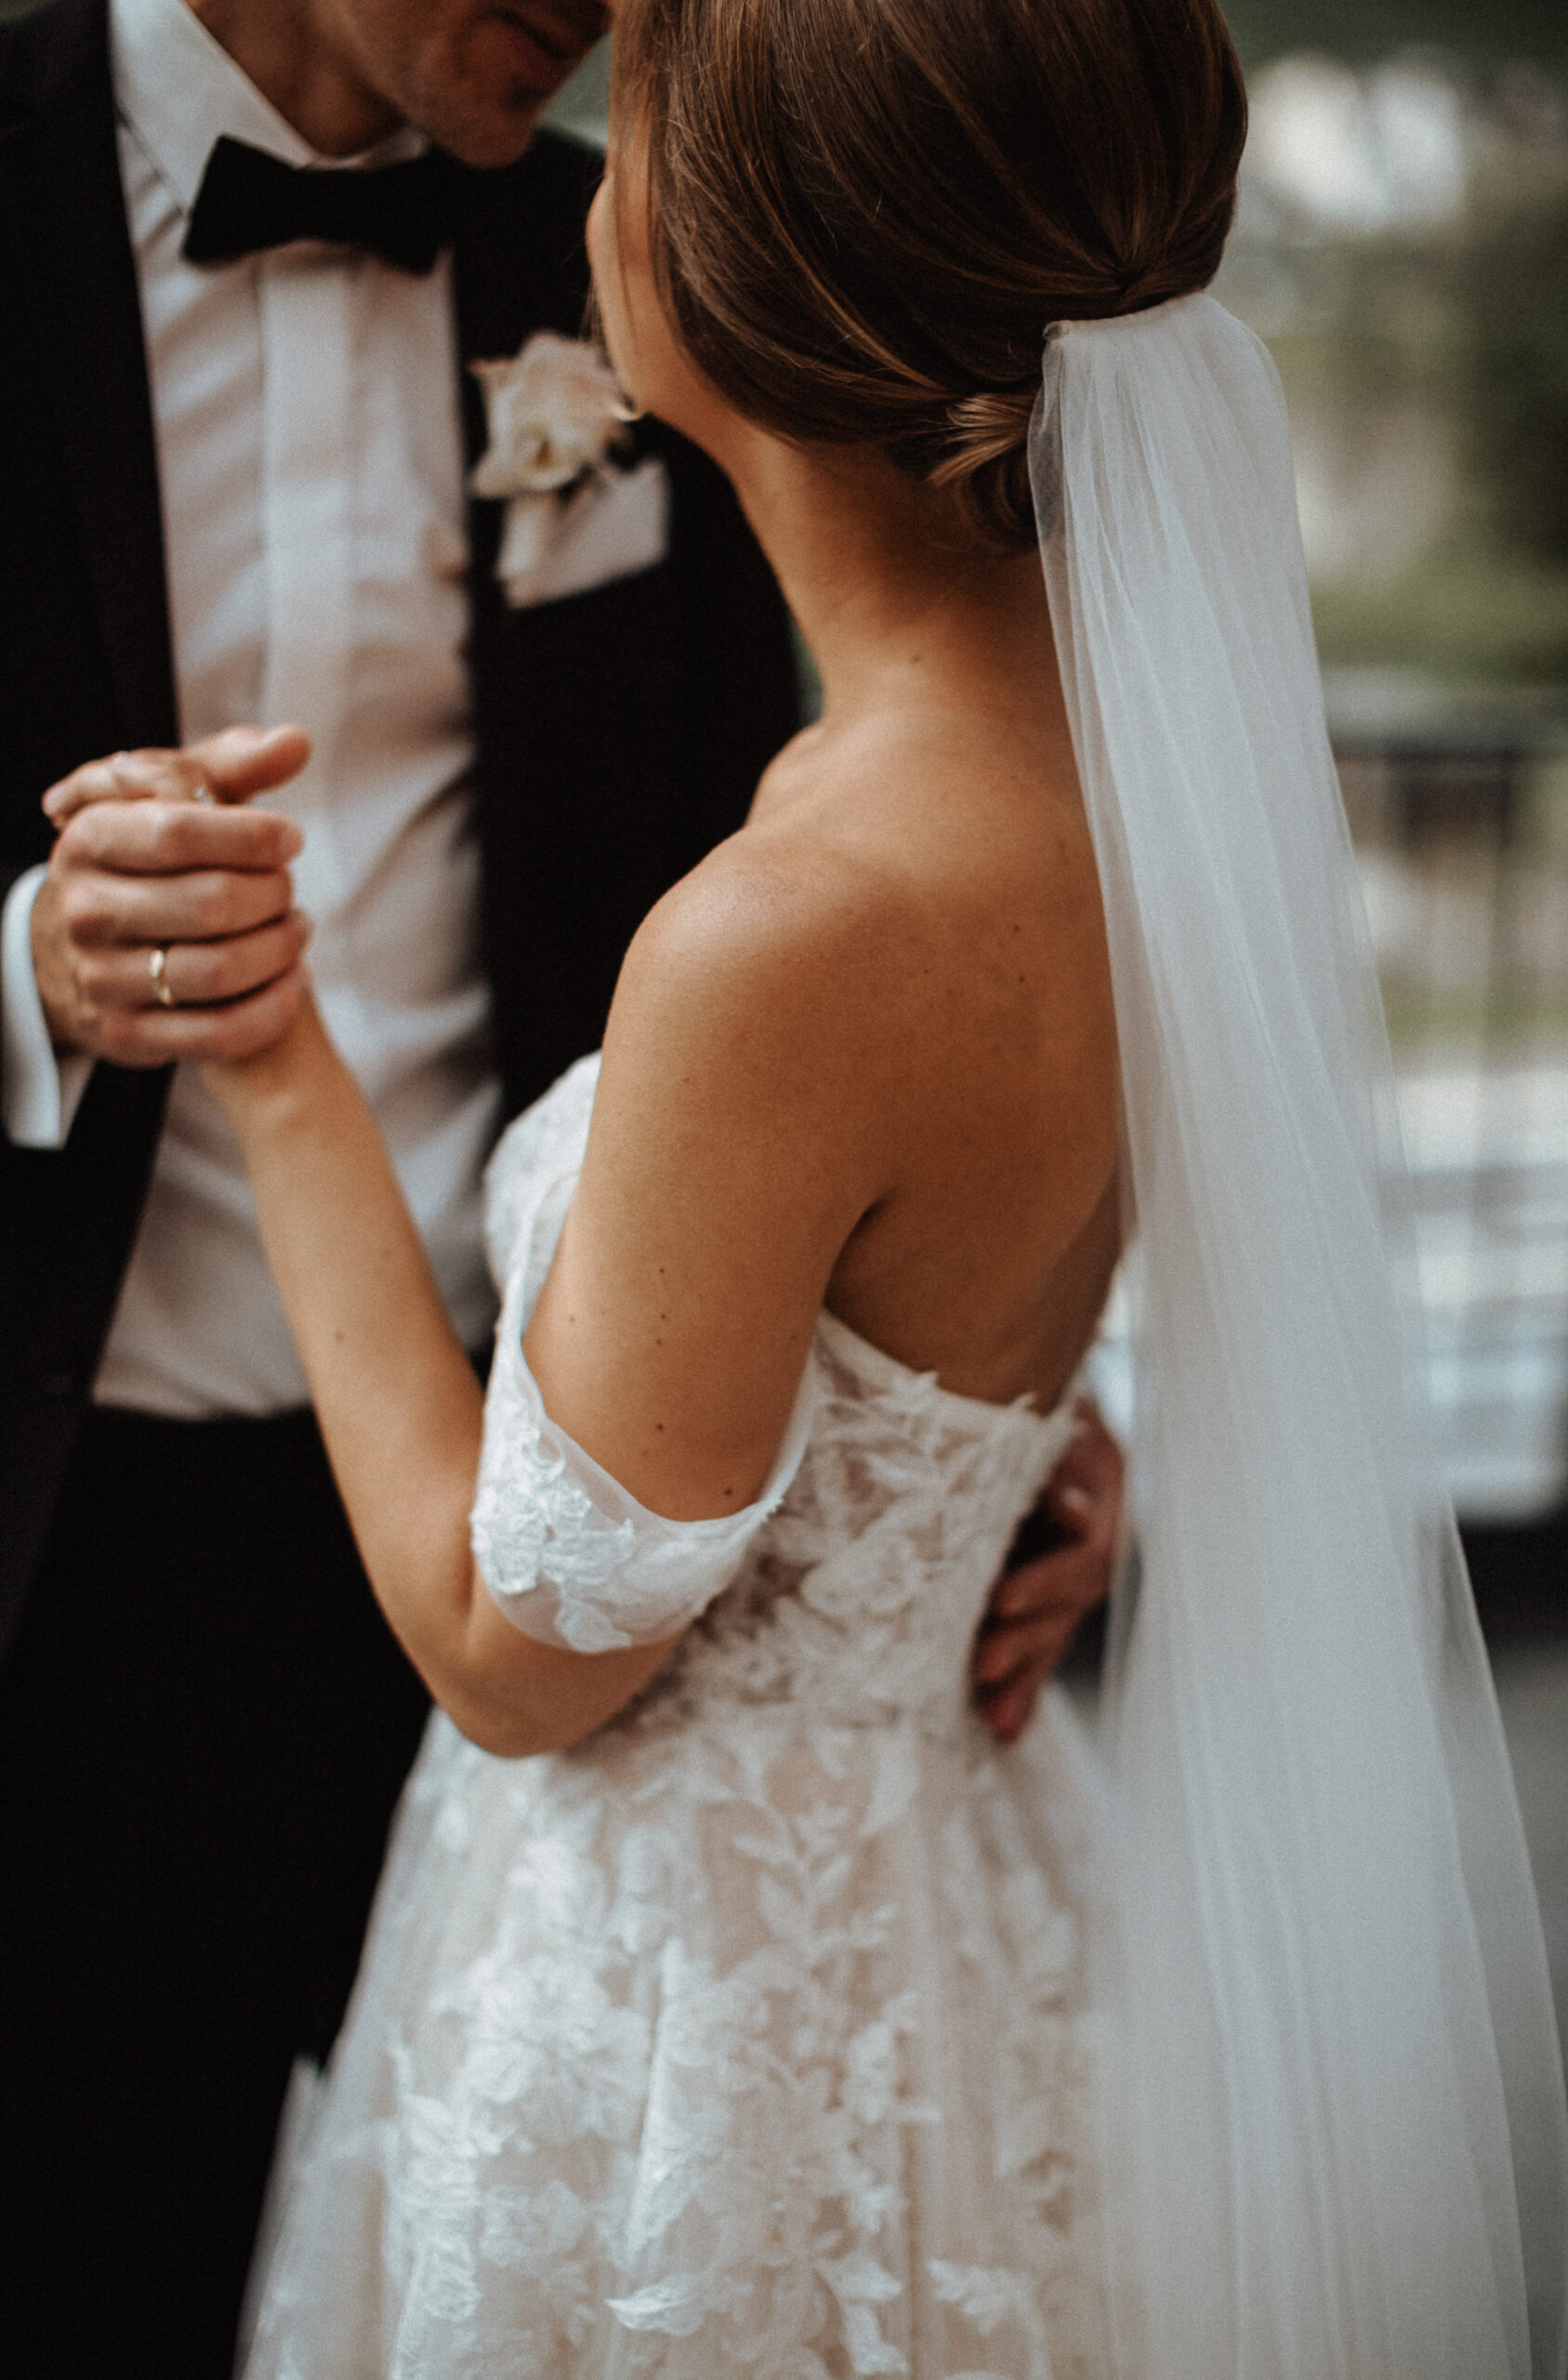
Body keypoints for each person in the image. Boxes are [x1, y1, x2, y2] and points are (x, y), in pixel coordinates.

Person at [42, 0, 1568, 2373]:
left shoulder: (790, 920)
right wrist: (946, 1446)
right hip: (185, 1604)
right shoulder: (1155, 784)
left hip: (655, 1954)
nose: (591, 133)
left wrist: (268, 1045)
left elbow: (507, 1643)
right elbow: (924, 1220)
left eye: (637, 125)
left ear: (726, 277)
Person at [0, 0, 1125, 2370]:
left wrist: (1000, 1403)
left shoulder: (679, 256)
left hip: (604, 1562)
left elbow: (884, 972)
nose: (605, 8)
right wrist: (30, 962)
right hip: (78, 1555)